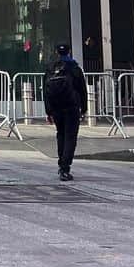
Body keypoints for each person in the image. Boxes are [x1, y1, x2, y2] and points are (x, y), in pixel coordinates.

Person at [43, 42, 88, 182]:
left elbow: (45, 91)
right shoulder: (74, 68)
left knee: (60, 134)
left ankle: (61, 163)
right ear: (69, 52)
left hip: (56, 107)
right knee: (70, 136)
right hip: (71, 107)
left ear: (57, 52)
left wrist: (48, 111)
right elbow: (82, 89)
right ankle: (65, 167)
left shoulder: (50, 68)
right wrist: (84, 108)